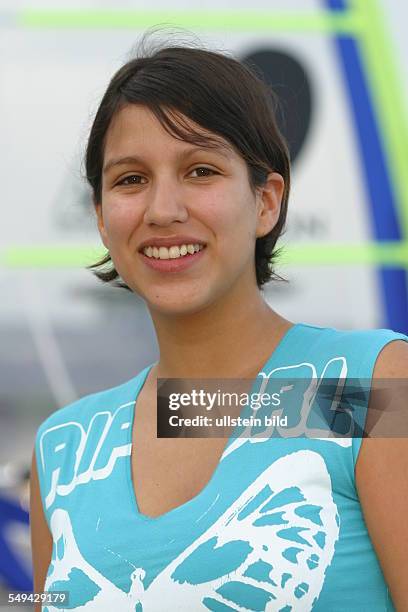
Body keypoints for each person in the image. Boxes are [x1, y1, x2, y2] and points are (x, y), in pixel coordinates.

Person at [30, 34, 408, 612]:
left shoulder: (364, 386)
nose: (163, 210)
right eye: (131, 179)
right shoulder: (64, 446)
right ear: (103, 219)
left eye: (201, 170)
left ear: (266, 202)